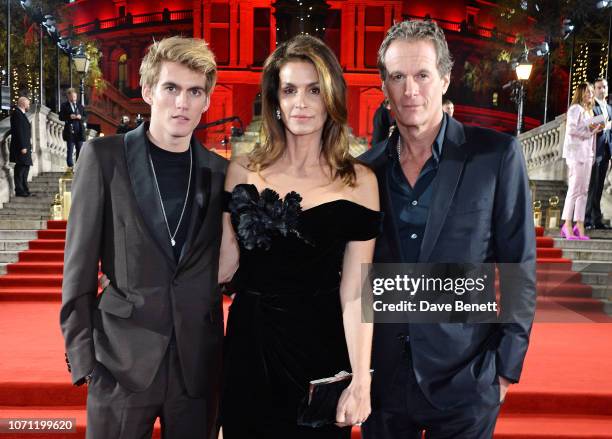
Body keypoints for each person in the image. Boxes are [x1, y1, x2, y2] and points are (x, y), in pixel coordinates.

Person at [360, 20, 536, 439]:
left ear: (444, 78)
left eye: (421, 74)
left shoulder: (495, 156)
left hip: (467, 379)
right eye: (397, 77)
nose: (410, 90)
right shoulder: (364, 170)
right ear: (383, 85)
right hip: (382, 382)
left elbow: (519, 266)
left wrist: (503, 370)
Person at [60, 36, 227, 439]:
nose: (182, 103)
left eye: (194, 92)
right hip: (119, 363)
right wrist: (85, 362)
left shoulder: (219, 173)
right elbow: (78, 271)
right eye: (171, 88)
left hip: (196, 371)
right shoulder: (103, 159)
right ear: (149, 91)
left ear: (207, 101)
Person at [219, 34, 381, 439]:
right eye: (290, 90)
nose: (301, 103)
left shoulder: (359, 182)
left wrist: (361, 380)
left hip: (320, 350)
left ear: (331, 98)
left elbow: (356, 292)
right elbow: (223, 265)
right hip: (249, 346)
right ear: (275, 98)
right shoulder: (242, 171)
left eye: (314, 90)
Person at [560, 82, 602, 240]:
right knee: (574, 190)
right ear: (580, 93)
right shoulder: (575, 109)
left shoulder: (589, 111)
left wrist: (593, 131)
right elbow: (571, 129)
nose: (590, 94)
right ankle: (567, 224)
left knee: (583, 192)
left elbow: (589, 134)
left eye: (591, 91)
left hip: (587, 155)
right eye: (586, 92)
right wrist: (590, 131)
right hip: (576, 154)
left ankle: (579, 224)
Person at [585, 78, 612, 230]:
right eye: (599, 87)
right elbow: (592, 127)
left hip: (606, 152)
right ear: (594, 90)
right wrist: (606, 125)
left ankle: (597, 219)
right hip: (594, 150)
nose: (602, 90)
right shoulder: (591, 106)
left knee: (600, 186)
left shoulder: (609, 108)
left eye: (604, 87)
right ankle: (587, 219)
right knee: (592, 186)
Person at [9, 96, 33, 197]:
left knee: (25, 167)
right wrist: (23, 146)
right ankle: (19, 190)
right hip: (20, 147)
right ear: (23, 103)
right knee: (20, 169)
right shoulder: (17, 114)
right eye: (28, 103)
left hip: (25, 146)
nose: (29, 105)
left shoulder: (21, 114)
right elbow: (19, 131)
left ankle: (25, 189)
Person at [59, 88, 87, 167]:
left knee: (79, 149)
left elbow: (85, 117)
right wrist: (69, 116)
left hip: (80, 131)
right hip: (70, 130)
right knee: (70, 149)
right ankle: (70, 165)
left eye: (75, 96)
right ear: (68, 96)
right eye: (72, 96)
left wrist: (80, 117)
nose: (74, 98)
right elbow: (60, 117)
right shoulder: (64, 105)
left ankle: (78, 166)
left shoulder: (80, 106)